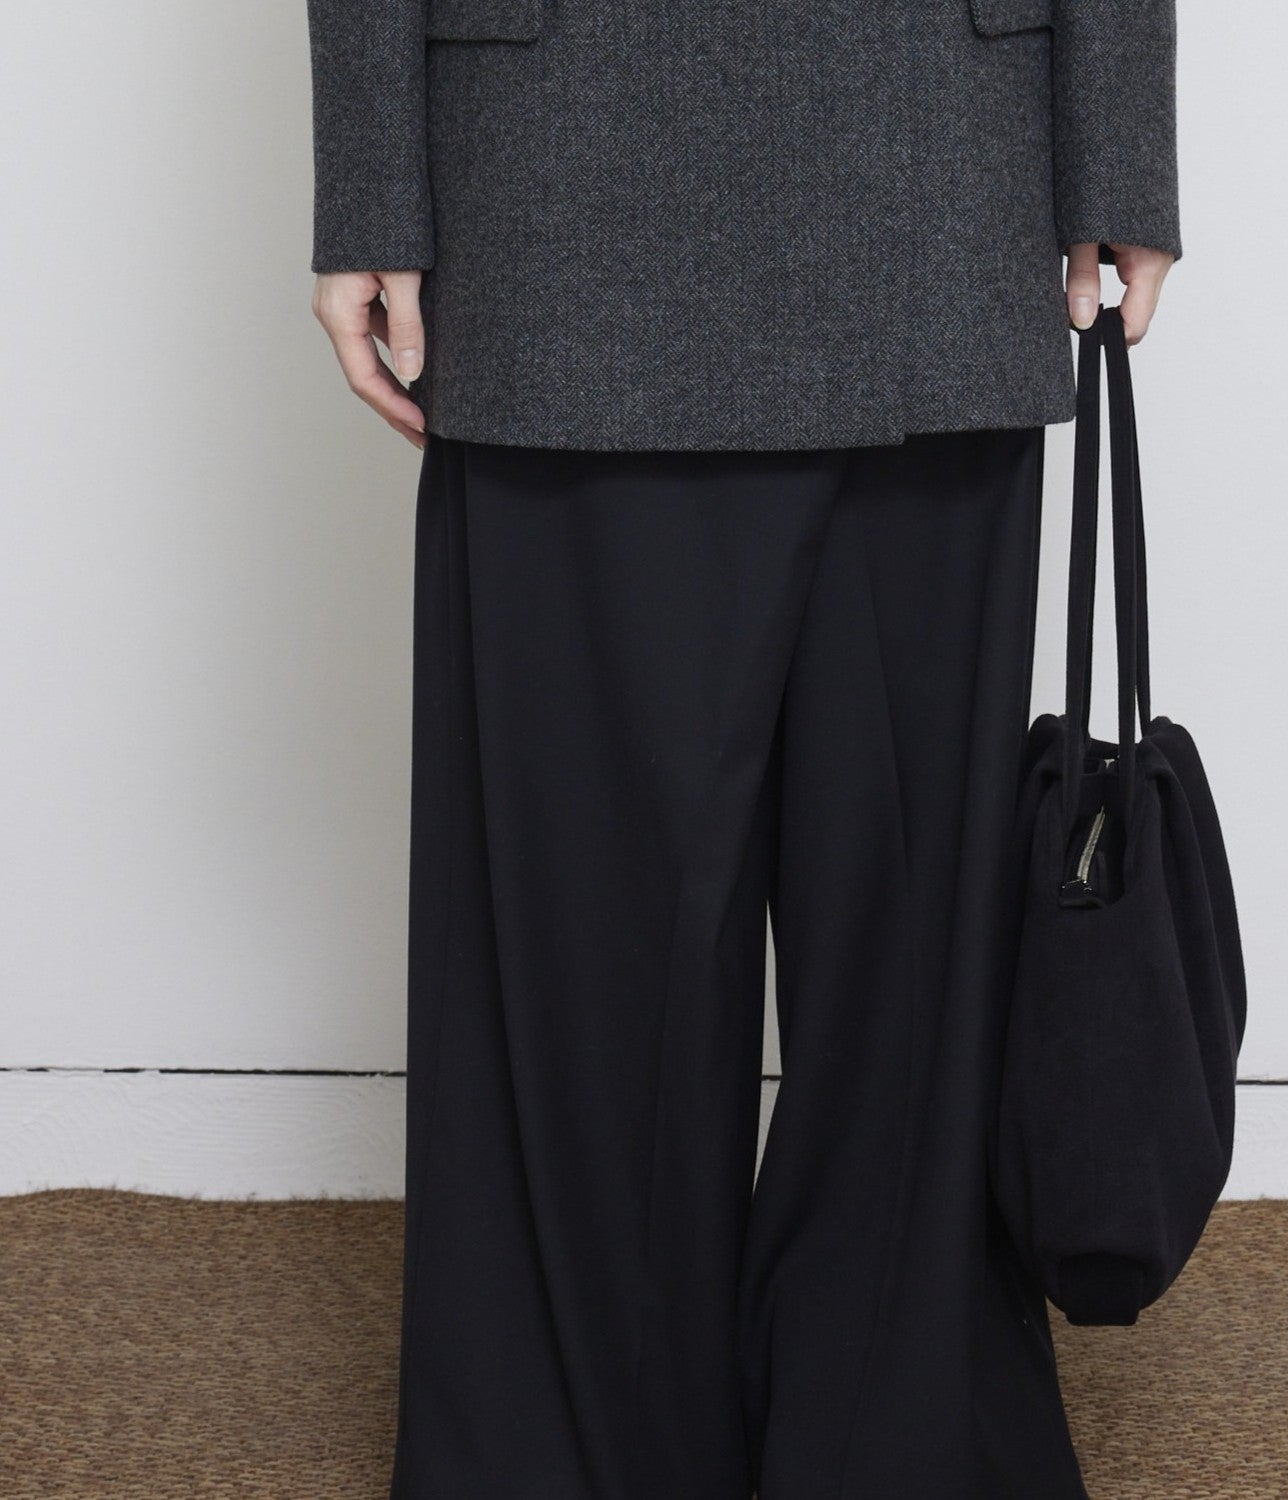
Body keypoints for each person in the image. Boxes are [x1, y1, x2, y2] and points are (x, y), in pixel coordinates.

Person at [304, 3, 1178, 1496]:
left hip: (932, 159)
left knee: (907, 941)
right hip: (567, 169)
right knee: (587, 945)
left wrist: (1116, 140)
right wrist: (374, 177)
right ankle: (574, 1453)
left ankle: (889, 1445)